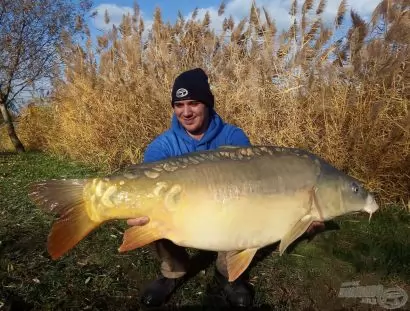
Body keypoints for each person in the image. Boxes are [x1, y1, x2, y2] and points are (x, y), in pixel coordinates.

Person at [127, 68, 325, 308]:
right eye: (179, 105)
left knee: (246, 210)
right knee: (149, 213)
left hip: (226, 214)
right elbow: (145, 190)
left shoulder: (233, 136)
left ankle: (227, 273)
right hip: (179, 218)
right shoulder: (162, 146)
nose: (186, 112)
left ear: (208, 104)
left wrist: (301, 217)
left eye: (193, 103)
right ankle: (174, 271)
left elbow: (254, 186)